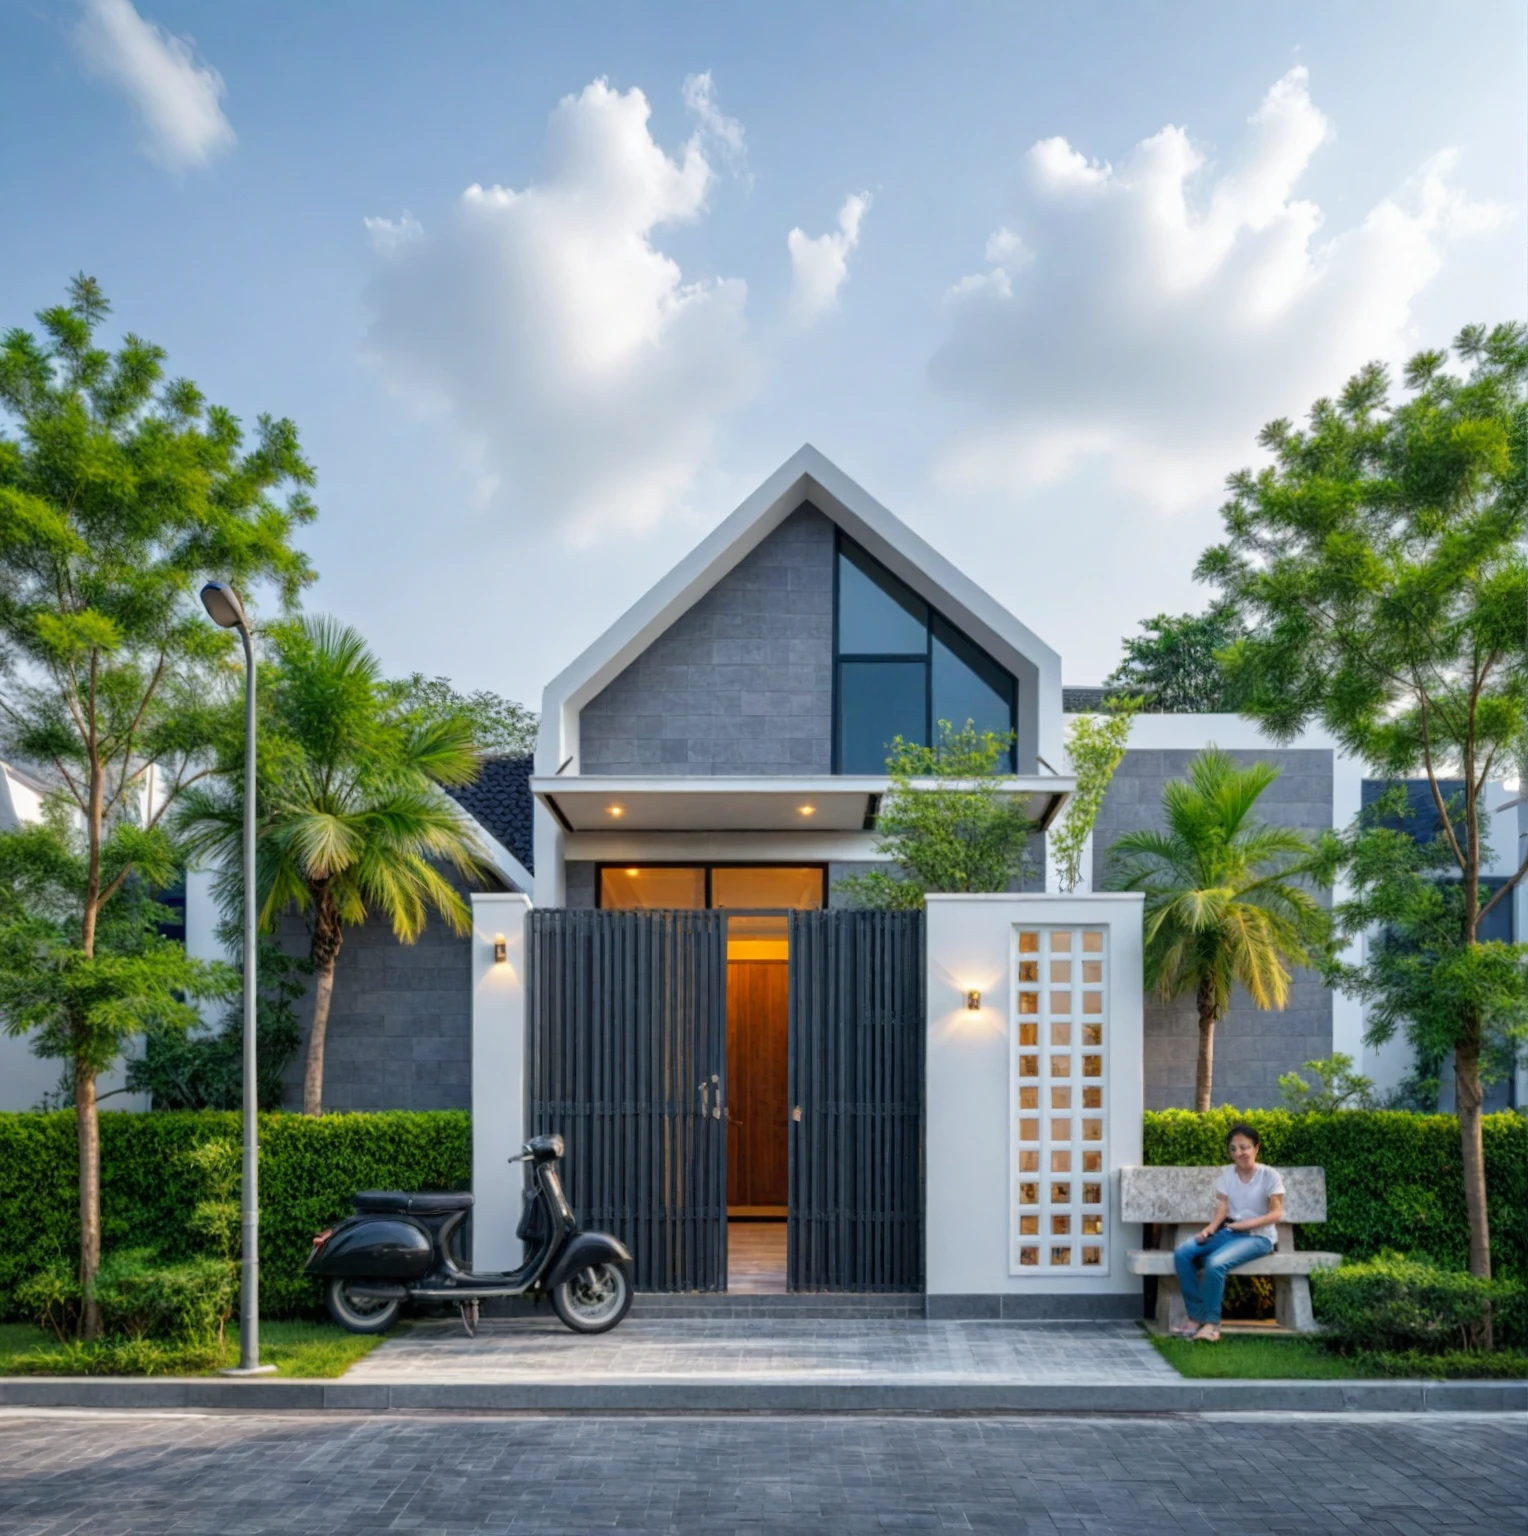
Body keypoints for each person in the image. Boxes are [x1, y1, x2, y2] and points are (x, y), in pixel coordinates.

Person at [1172, 1123, 1285, 1342]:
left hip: (1259, 1237)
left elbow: (1276, 1214)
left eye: (1244, 1147)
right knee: (1183, 1253)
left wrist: (1246, 1225)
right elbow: (1223, 1207)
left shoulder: (1269, 1176)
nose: (1239, 1153)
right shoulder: (1227, 1174)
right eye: (1233, 1149)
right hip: (1228, 1232)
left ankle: (1211, 1326)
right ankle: (1196, 1317)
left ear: (1256, 1148)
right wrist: (1210, 1229)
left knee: (1215, 1263)